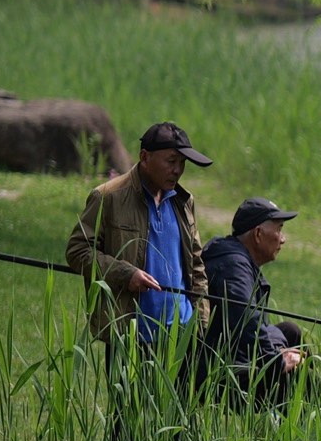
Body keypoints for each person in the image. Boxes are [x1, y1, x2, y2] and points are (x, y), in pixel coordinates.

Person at [66, 121, 210, 350]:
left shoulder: (184, 201)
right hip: (131, 335)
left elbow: (196, 264)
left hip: (183, 334)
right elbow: (78, 251)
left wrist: (200, 323)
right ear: (144, 157)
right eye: (171, 161)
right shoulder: (108, 197)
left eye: (182, 163)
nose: (178, 170)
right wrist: (125, 274)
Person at [199, 197, 308, 402]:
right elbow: (247, 320)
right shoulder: (234, 268)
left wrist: (277, 348)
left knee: (290, 333)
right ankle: (302, 424)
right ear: (258, 234)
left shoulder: (236, 258)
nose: (283, 239)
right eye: (279, 229)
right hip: (218, 368)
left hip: (234, 351)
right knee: (289, 368)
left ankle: (307, 417)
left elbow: (257, 326)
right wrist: (276, 360)